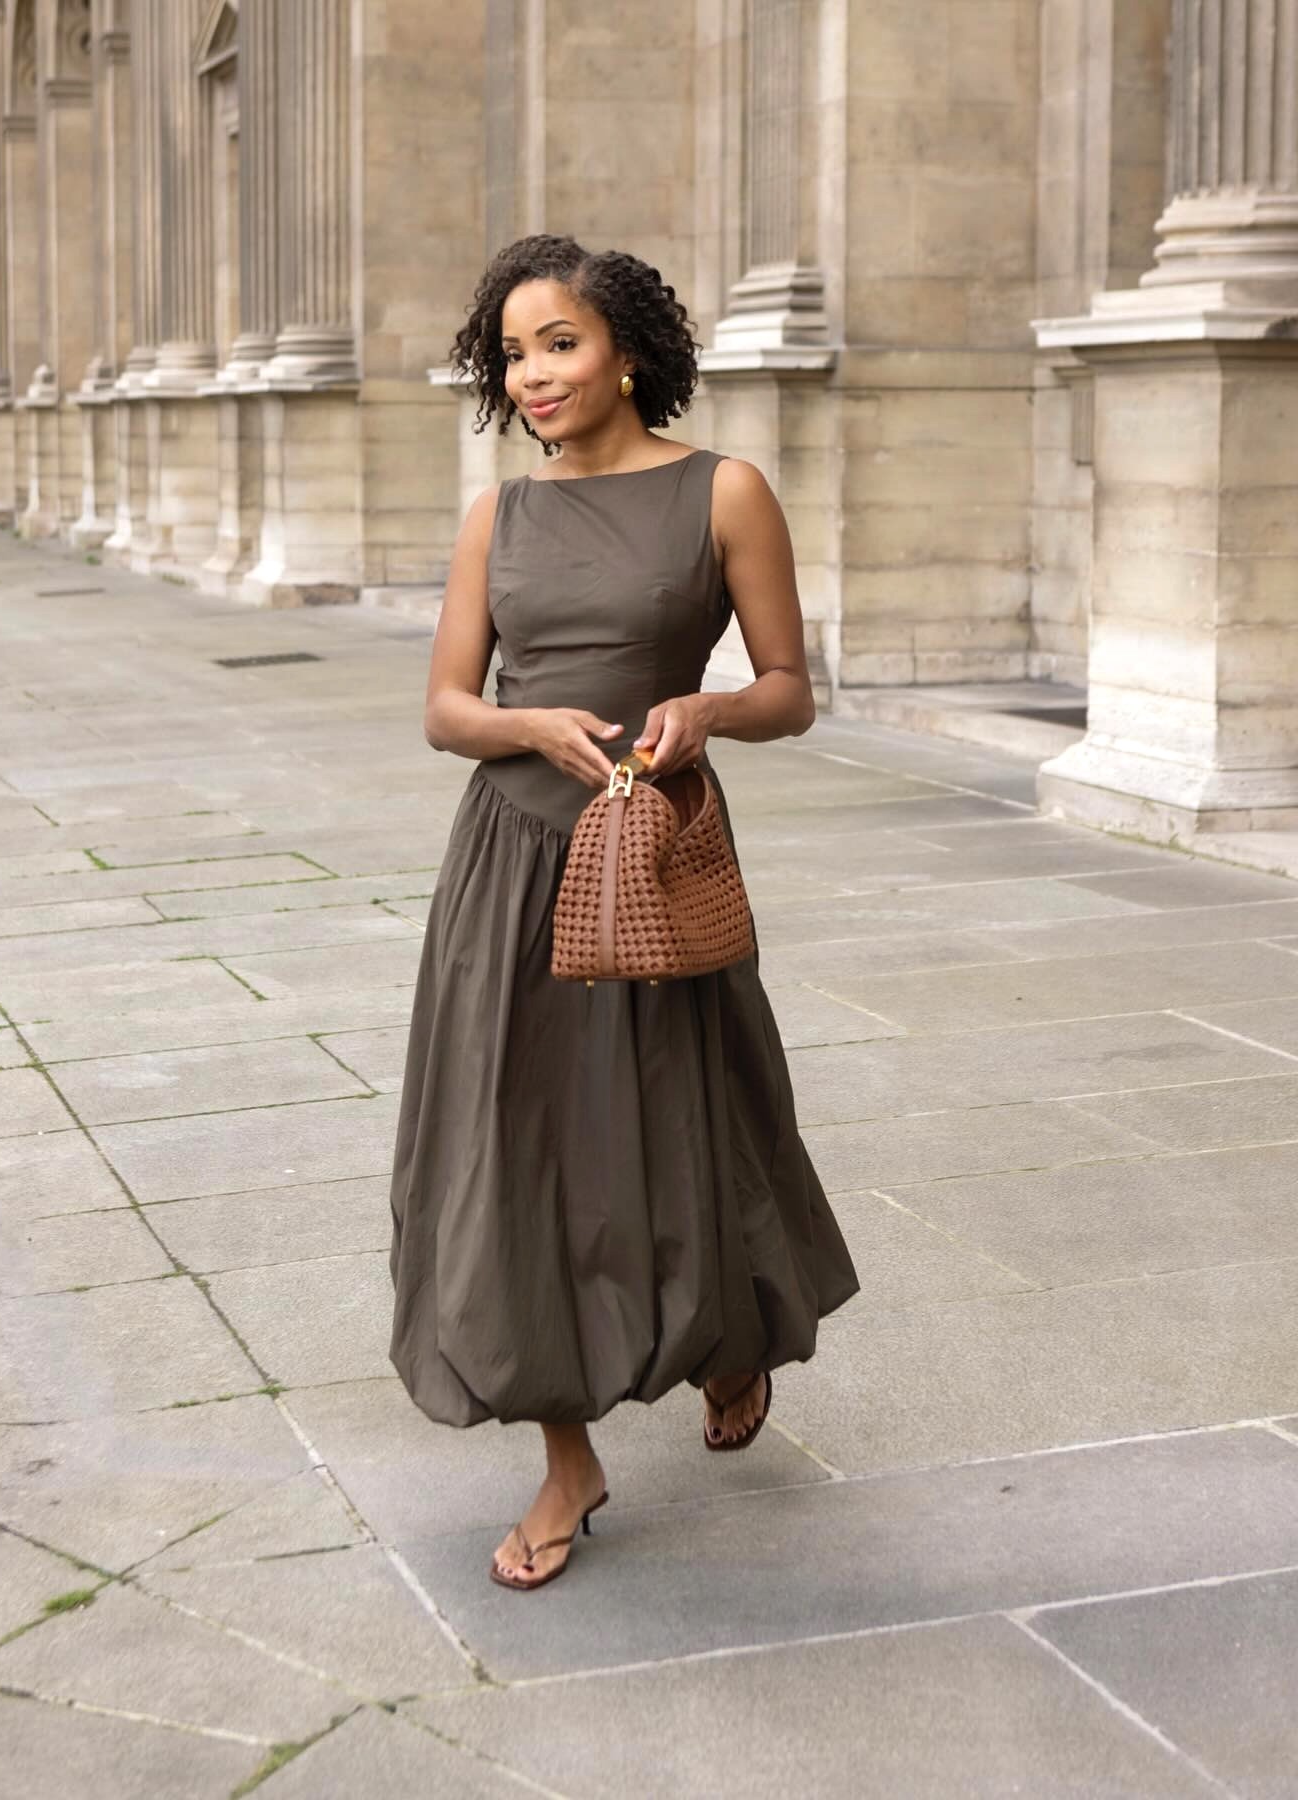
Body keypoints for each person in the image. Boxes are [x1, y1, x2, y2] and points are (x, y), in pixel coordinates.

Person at [388, 234, 859, 1593]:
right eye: (514, 352)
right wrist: (521, 724)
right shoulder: (500, 516)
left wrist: (706, 709)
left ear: (629, 351)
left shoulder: (725, 493)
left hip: (652, 852)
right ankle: (566, 1457)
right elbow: (444, 710)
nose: (531, 375)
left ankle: (728, 1335)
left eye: (560, 343)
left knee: (687, 1121)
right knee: (518, 1149)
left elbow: (787, 687)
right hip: (511, 866)